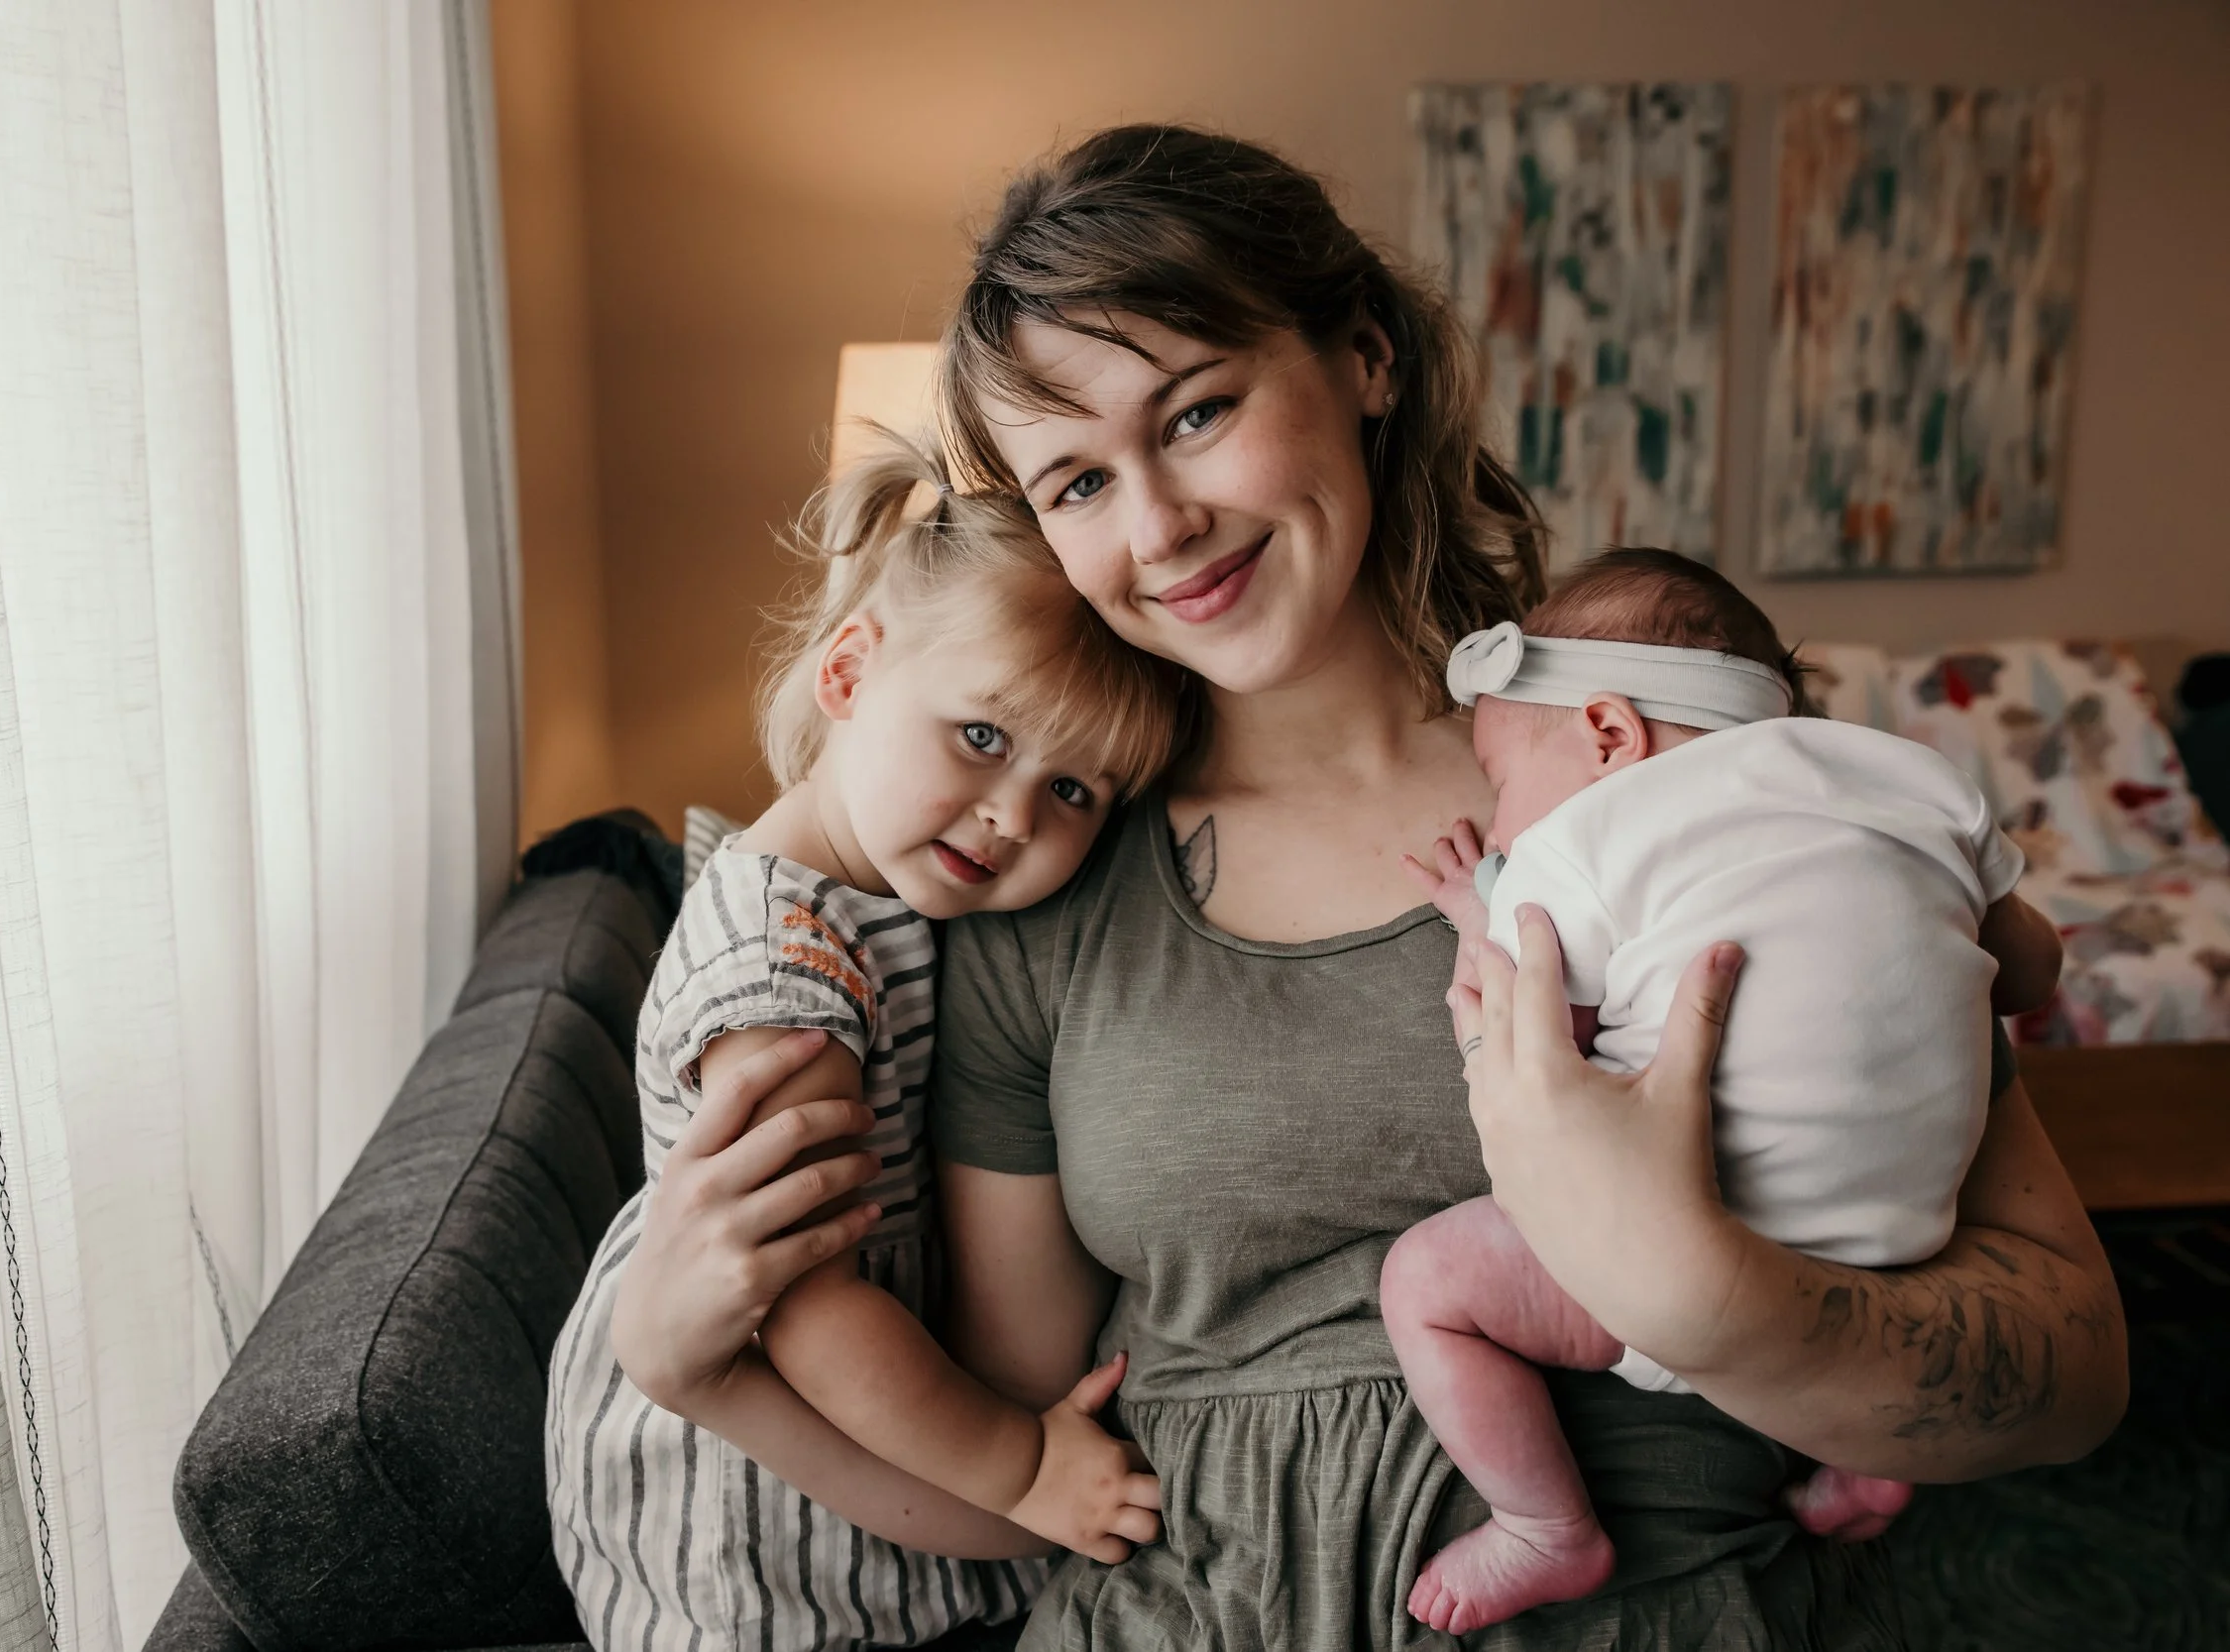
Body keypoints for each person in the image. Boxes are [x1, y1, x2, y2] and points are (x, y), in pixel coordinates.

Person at [609, 126, 2129, 1650]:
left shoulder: (1651, 755)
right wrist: (703, 1373)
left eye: (1198, 411)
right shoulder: (1033, 869)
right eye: (1077, 480)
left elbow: (2068, 1370)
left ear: (1365, 358)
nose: (1158, 528)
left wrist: (1719, 1297)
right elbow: (1024, 1446)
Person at [547, 433, 1181, 1650]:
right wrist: (1021, 1467)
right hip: (743, 1538)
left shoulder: (875, 900)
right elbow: (805, 1306)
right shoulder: (784, 968)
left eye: (1074, 793)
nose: (1009, 816)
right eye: (983, 738)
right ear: (848, 670)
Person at [1380, 550, 2067, 1636]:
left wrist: (1480, 910)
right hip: (1908, 1246)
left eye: (1502, 782)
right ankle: (1864, 1453)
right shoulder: (1916, 778)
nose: (1503, 822)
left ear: (1609, 735)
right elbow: (2029, 971)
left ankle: (1544, 1525)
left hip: (1682, 1253)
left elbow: (1536, 1030)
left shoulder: (1585, 841)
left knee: (1426, 1281)